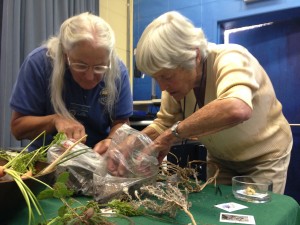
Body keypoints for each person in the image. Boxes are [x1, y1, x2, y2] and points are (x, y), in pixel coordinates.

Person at [134, 11, 292, 194]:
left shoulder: (231, 57)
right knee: (219, 213)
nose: (162, 87)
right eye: (156, 78)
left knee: (256, 217)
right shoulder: (176, 85)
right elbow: (163, 124)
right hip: (220, 159)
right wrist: (132, 144)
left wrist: (172, 135)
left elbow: (237, 108)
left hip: (263, 157)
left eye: (166, 76)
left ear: (195, 56)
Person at [9, 12, 133, 153]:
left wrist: (111, 141)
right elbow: (18, 128)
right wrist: (54, 120)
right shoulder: (40, 64)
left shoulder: (118, 70)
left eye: (99, 67)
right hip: (44, 161)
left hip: (96, 160)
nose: (89, 76)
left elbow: (121, 123)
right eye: (80, 65)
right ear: (65, 55)